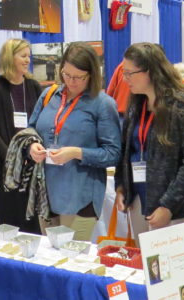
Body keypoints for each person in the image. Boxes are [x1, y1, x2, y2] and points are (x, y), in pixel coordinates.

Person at [29, 41, 121, 241]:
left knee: (71, 260)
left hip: (82, 195)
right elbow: (31, 130)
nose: (71, 81)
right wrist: (32, 145)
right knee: (50, 259)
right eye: (67, 74)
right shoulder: (49, 95)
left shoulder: (103, 104)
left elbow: (113, 154)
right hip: (46, 193)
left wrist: (76, 153)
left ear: (92, 75)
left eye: (79, 77)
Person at [114, 42, 184, 245]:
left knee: (168, 273)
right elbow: (126, 151)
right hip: (138, 200)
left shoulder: (181, 104)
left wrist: (168, 206)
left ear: (150, 71)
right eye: (124, 73)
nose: (125, 79)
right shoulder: (137, 103)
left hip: (169, 208)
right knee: (143, 269)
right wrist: (121, 186)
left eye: (130, 73)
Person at [0, 38, 42, 233]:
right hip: (4, 166)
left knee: (31, 222)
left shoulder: (33, 86)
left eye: (29, 56)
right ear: (10, 58)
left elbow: (39, 123)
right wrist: (13, 157)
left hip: (30, 167)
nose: (28, 60)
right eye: (23, 56)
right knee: (10, 221)